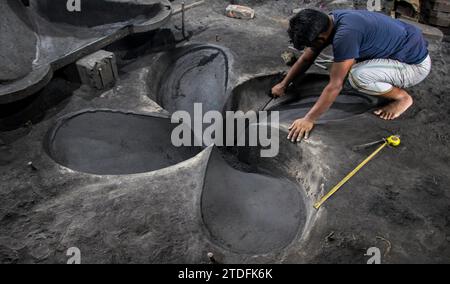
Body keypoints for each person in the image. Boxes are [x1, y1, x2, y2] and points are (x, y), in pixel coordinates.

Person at [272, 9, 431, 143]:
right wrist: (284, 84)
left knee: (356, 75)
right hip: (402, 47)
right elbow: (307, 57)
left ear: (321, 38)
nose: (310, 48)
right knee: (342, 64)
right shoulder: (330, 20)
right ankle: (383, 78)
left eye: (312, 44)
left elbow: (335, 86)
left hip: (414, 67)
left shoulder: (345, 36)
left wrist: (308, 119)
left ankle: (402, 98)